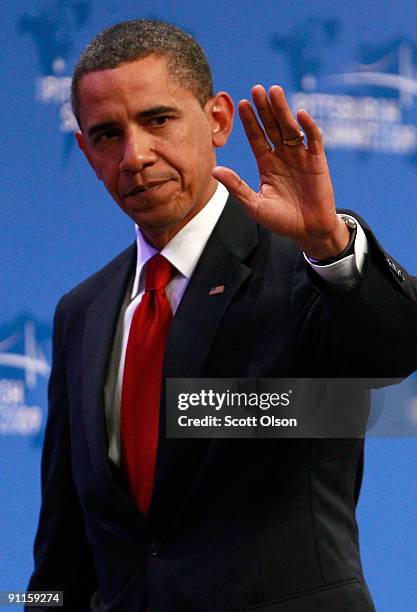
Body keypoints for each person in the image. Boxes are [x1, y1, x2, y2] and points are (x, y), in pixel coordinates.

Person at [27, 19, 417, 612]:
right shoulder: (80, 312)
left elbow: (394, 350)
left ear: (217, 120)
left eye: (157, 120)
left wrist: (331, 247)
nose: (135, 155)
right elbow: (63, 554)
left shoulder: (301, 262)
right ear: (85, 150)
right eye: (107, 135)